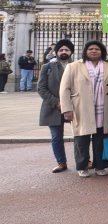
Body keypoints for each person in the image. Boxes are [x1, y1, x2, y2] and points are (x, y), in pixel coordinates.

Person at [59, 40, 108, 177]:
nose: (94, 51)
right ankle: (82, 166)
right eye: (91, 49)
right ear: (85, 51)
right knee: (82, 140)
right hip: (81, 108)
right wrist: (67, 109)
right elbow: (64, 89)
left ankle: (100, 166)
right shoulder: (74, 66)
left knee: (101, 139)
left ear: (102, 52)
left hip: (104, 108)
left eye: (97, 49)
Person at [38, 40, 74, 173]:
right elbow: (41, 88)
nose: (64, 52)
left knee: (80, 135)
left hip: (73, 106)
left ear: (71, 52)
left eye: (66, 50)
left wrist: (69, 103)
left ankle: (84, 160)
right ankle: (61, 162)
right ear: (56, 52)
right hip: (53, 107)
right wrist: (57, 102)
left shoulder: (77, 66)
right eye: (61, 50)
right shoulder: (47, 67)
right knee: (56, 137)